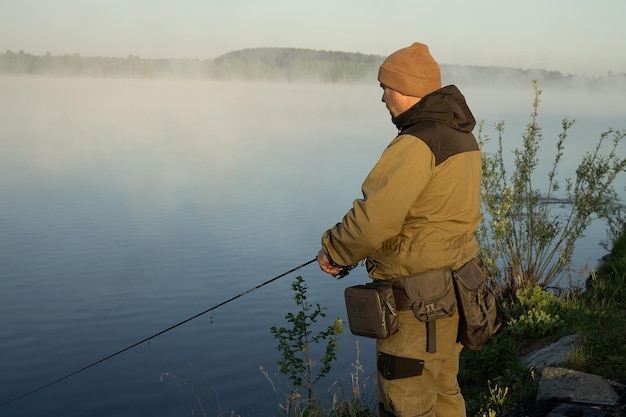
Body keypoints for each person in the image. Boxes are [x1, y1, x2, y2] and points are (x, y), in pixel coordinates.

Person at [316, 42, 481, 416]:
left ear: (405, 89)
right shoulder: (462, 137)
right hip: (456, 294)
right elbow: (428, 218)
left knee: (404, 403)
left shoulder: (416, 143)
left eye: (384, 87)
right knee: (444, 395)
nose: (382, 98)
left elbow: (376, 218)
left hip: (417, 307)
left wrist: (335, 250)